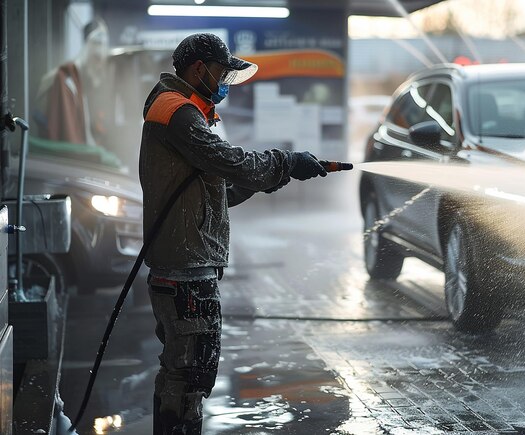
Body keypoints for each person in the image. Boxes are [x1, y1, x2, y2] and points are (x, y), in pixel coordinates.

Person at [139, 33, 328, 435]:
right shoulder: (178, 110)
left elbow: (218, 189)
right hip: (185, 269)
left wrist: (277, 177)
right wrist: (284, 161)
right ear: (198, 69)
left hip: (186, 263)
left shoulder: (188, 109)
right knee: (189, 376)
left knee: (183, 372)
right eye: (221, 72)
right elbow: (230, 161)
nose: (224, 81)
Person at [35, 18, 110, 146]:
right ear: (87, 45)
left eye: (103, 45)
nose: (100, 51)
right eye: (96, 43)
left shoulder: (88, 82)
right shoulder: (66, 79)